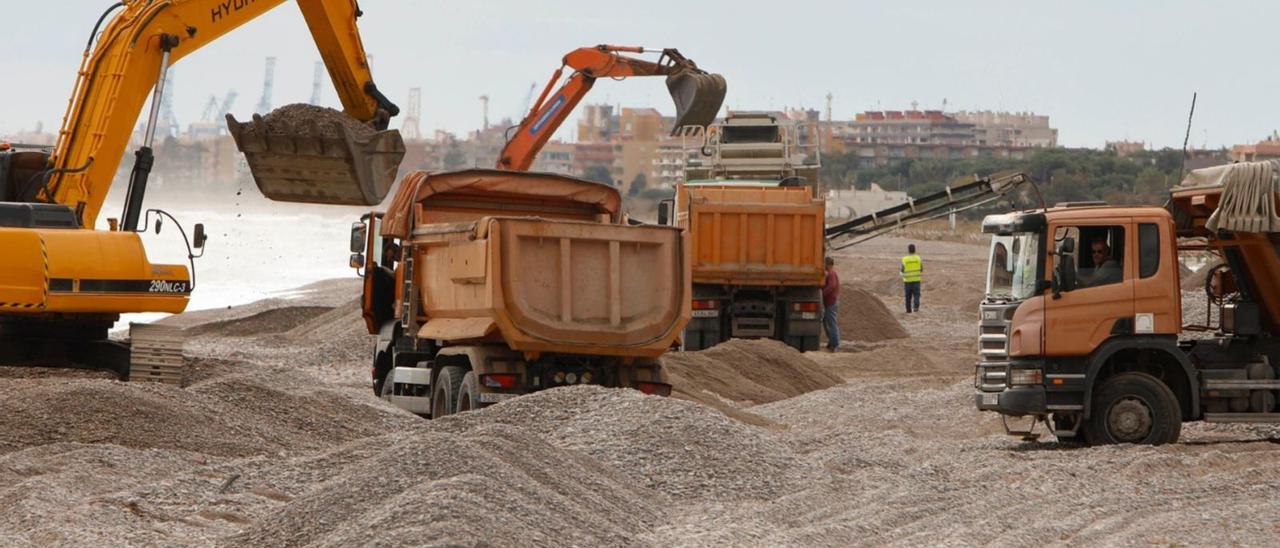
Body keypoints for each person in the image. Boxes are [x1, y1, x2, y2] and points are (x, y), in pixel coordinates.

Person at [822, 256, 841, 351]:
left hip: (831, 302)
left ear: (828, 264)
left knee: (832, 323)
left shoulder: (831, 274)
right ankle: (831, 342)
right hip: (830, 301)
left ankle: (835, 344)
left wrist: (822, 294)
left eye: (824, 263)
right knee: (827, 322)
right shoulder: (830, 274)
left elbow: (831, 286)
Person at [901, 243, 923, 313]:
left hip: (907, 281)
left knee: (908, 297)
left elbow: (902, 269)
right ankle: (916, 307)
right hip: (916, 280)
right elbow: (921, 269)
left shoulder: (905, 259)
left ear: (908, 250)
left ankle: (908, 310)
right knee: (917, 295)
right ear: (915, 250)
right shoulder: (918, 258)